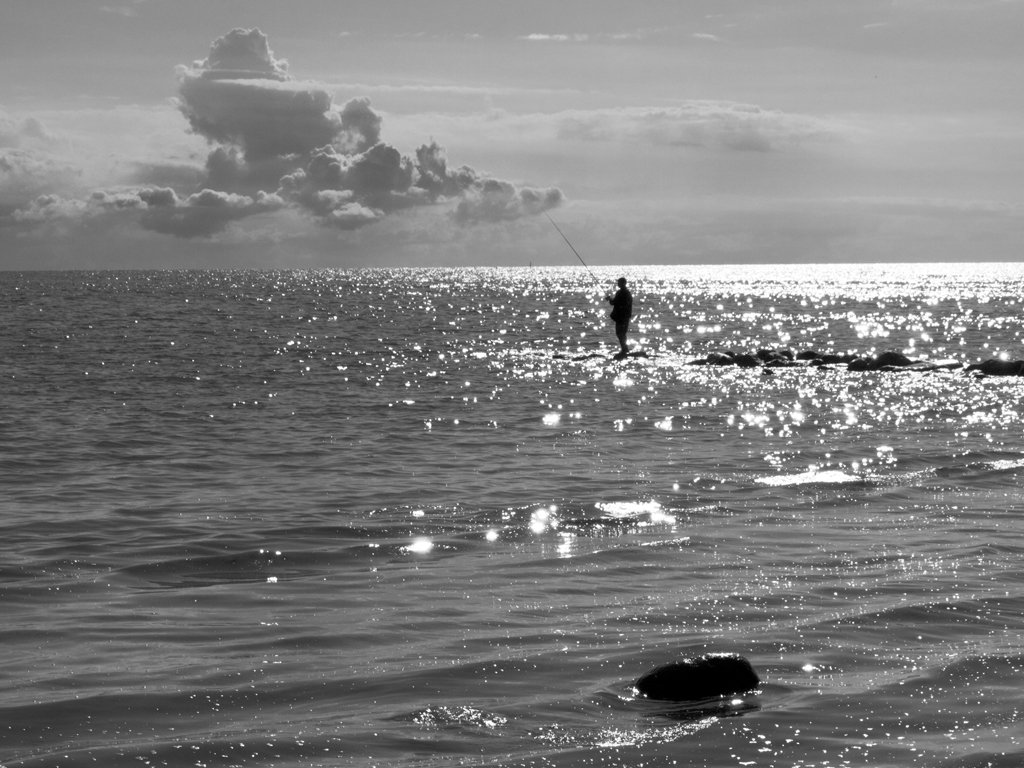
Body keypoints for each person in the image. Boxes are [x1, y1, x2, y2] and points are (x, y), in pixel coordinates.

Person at [606, 277, 633, 357]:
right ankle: (625, 349)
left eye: (619, 282)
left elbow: (614, 302)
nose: (618, 284)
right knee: (622, 333)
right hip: (625, 316)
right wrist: (611, 300)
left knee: (620, 333)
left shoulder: (621, 292)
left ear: (622, 283)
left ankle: (624, 349)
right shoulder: (627, 293)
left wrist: (609, 299)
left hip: (621, 317)